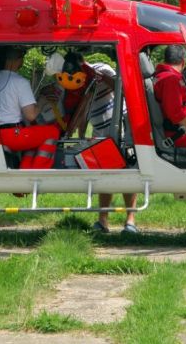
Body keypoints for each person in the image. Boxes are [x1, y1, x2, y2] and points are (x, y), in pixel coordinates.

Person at [58, 52, 138, 235]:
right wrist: (79, 133)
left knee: (127, 173)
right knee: (104, 174)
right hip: (98, 130)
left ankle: (130, 220)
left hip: (120, 126)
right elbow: (83, 105)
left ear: (83, 62)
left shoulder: (102, 68)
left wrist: (99, 78)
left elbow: (121, 87)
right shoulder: (77, 80)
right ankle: (103, 221)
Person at [0, 47, 60, 168]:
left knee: (33, 137)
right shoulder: (21, 82)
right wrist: (42, 101)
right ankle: (38, 170)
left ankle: (26, 169)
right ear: (18, 60)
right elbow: (31, 115)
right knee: (52, 132)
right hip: (13, 135)